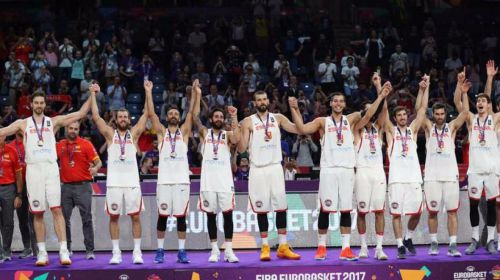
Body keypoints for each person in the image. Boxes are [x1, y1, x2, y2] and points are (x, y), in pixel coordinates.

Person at [289, 83, 389, 261]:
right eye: (335, 101)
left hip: (347, 171)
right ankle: (321, 247)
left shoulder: (351, 119)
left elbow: (369, 114)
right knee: (325, 210)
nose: (338, 104)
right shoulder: (322, 122)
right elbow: (302, 129)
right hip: (328, 170)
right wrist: (294, 109)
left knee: (345, 210)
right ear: (330, 104)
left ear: (344, 104)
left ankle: (345, 248)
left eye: (341, 101)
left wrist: (381, 96)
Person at [0, 89, 93, 266]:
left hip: (51, 169)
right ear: (31, 104)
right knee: (38, 212)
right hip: (33, 170)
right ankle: (42, 253)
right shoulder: (23, 123)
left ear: (45, 105)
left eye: (42, 103)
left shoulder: (54, 122)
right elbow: (2, 131)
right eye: (36, 103)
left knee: (57, 210)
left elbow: (80, 113)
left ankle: (63, 251)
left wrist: (92, 94)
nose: (39, 105)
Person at [90, 81, 150, 264]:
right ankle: (116, 253)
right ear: (116, 120)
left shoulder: (135, 134)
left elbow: (147, 113)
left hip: (132, 183)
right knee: (114, 217)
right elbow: (96, 116)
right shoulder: (110, 135)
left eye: (126, 117)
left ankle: (137, 252)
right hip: (114, 183)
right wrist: (93, 94)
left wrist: (148, 91)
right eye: (120, 117)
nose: (123, 119)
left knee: (136, 217)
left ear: (129, 119)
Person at [238, 90, 301, 261]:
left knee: (281, 207)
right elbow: (242, 149)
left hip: (275, 168)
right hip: (257, 169)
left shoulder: (278, 118)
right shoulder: (247, 121)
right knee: (262, 210)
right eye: (259, 100)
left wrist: (295, 109)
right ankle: (265, 246)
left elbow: (298, 129)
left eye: (264, 98)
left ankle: (282, 246)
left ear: (269, 101)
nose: (262, 102)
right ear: (254, 103)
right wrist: (237, 128)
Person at [144, 80, 196, 264]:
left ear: (178, 116)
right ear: (167, 117)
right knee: (163, 217)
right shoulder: (161, 133)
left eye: (176, 113)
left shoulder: (184, 132)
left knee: (181, 218)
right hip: (164, 182)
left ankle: (182, 251)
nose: (173, 115)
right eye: (170, 113)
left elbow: (191, 113)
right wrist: (149, 91)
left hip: (182, 182)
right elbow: (151, 113)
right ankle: (160, 250)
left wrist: (195, 93)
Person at [419, 70, 470, 257]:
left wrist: (462, 89)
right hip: (432, 177)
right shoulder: (428, 128)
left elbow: (465, 113)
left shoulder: (452, 128)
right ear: (434, 115)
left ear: (445, 115)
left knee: (452, 212)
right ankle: (433, 243)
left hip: (450, 177)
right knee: (432, 212)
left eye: (442, 114)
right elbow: (420, 111)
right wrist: (425, 88)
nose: (439, 116)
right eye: (437, 114)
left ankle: (453, 245)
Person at [193, 83, 240, 262]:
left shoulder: (227, 135)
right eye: (216, 116)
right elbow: (195, 117)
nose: (219, 118)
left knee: (228, 216)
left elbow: (237, 138)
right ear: (212, 119)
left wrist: (234, 116)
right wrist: (198, 94)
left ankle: (228, 249)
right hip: (208, 183)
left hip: (225, 182)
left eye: (221, 116)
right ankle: (214, 250)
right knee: (210, 216)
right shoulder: (205, 133)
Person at [384, 75, 429, 259]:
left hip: (414, 179)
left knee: (417, 212)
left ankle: (408, 237)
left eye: (404, 115)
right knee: (396, 215)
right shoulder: (390, 132)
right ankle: (400, 245)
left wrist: (423, 88)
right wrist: (383, 91)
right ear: (395, 118)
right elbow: (383, 111)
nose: (403, 117)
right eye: (399, 115)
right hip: (396, 180)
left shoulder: (412, 131)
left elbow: (422, 110)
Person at [461, 60, 500, 255]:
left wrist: (490, 78)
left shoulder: (494, 119)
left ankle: (491, 240)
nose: (480, 103)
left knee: (492, 205)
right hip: (475, 170)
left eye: (484, 101)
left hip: (492, 170)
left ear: (489, 105)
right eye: (478, 101)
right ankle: (475, 239)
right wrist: (462, 91)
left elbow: (488, 95)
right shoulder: (471, 119)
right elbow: (464, 106)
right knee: (473, 204)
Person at [353, 74, 392, 260]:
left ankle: (378, 248)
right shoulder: (357, 129)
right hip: (362, 173)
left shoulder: (379, 129)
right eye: (369, 110)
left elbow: (383, 111)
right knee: (362, 211)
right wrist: (380, 94)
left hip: (378, 173)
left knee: (379, 211)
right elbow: (370, 113)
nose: (372, 113)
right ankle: (363, 246)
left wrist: (379, 88)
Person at [56, 121, 102, 260]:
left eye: (76, 129)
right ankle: (67, 249)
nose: (73, 131)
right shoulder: (59, 145)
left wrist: (95, 169)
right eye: (70, 128)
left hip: (84, 186)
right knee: (64, 220)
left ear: (79, 130)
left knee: (87, 219)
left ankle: (89, 250)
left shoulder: (86, 144)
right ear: (66, 128)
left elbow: (98, 162)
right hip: (66, 187)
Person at [6, 131, 37, 259]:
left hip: (33, 184)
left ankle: (38, 249)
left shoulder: (33, 143)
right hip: (18, 186)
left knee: (35, 218)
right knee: (22, 219)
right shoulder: (11, 146)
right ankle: (27, 248)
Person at [0, 134, 23, 261]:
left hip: (9, 189)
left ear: (4, 137)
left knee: (8, 222)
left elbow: (19, 175)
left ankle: (7, 251)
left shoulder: (12, 151)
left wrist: (19, 195)